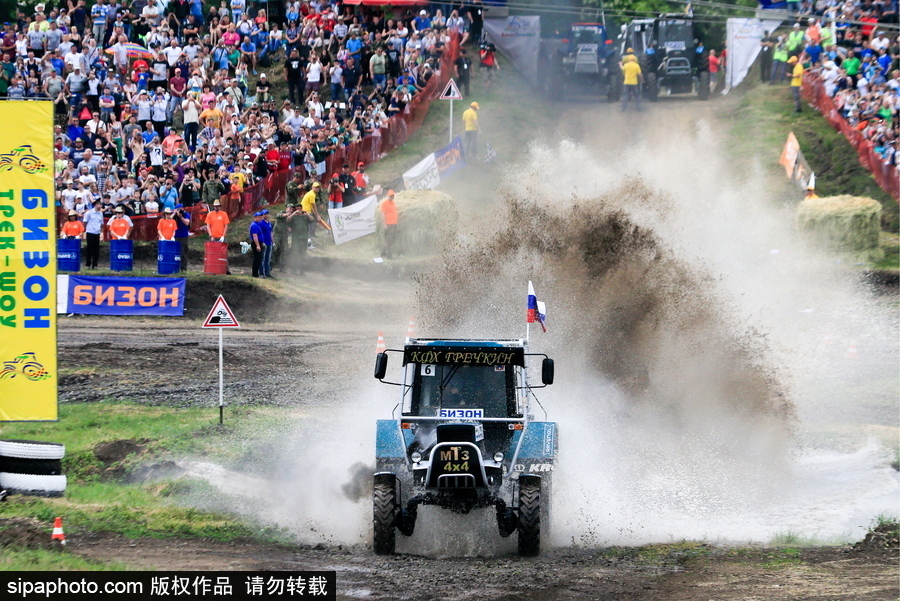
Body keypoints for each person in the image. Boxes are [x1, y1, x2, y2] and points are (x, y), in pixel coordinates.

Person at [82, 199, 104, 269]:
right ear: (96, 205)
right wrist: (85, 231)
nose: (100, 205)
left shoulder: (100, 213)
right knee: (89, 249)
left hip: (97, 233)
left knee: (96, 250)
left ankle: (95, 264)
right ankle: (88, 264)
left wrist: (101, 232)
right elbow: (85, 222)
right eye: (99, 204)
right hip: (90, 232)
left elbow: (101, 224)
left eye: (101, 204)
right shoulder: (89, 213)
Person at [301, 180, 320, 249]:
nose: (317, 188)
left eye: (318, 187)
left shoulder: (312, 194)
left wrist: (316, 214)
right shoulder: (312, 194)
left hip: (306, 212)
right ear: (312, 187)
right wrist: (317, 215)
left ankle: (308, 243)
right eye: (316, 187)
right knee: (309, 228)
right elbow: (314, 206)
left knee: (309, 227)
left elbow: (312, 206)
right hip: (306, 212)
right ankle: (308, 244)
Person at [379, 189, 398, 258]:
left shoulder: (393, 202)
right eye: (390, 196)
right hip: (389, 224)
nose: (392, 197)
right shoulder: (384, 203)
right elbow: (383, 214)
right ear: (388, 195)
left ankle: (383, 252)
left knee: (390, 239)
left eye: (393, 195)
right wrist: (384, 224)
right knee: (389, 240)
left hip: (394, 223)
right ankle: (389, 255)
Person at [173, 204, 191, 272]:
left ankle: (183, 268)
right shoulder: (173, 214)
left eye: (181, 209)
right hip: (175, 235)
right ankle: (175, 267)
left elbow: (187, 223)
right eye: (178, 209)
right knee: (175, 252)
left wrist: (181, 217)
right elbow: (169, 220)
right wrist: (174, 213)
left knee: (183, 252)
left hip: (183, 235)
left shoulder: (186, 214)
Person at [249, 211, 265, 277]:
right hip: (256, 243)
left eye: (261, 217)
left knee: (259, 258)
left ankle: (256, 273)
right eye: (258, 217)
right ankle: (255, 274)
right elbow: (255, 236)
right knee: (257, 259)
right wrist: (258, 245)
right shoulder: (254, 225)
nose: (260, 218)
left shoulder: (257, 225)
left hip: (259, 242)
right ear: (255, 218)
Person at [260, 209, 273, 277]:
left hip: (269, 243)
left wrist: (272, 241)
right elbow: (260, 233)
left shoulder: (269, 223)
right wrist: (261, 242)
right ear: (262, 215)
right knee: (263, 258)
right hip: (263, 242)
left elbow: (271, 233)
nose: (266, 215)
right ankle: (262, 273)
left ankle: (267, 272)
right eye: (265, 214)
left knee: (268, 258)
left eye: (267, 214)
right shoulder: (261, 223)